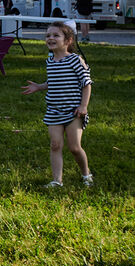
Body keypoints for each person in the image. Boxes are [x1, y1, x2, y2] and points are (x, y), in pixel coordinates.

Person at [21, 22, 94, 188]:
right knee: (55, 145)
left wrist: (83, 106)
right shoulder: (50, 61)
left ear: (67, 41)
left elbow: (86, 84)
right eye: (48, 35)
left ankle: (86, 173)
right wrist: (40, 86)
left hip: (73, 111)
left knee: (75, 148)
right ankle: (57, 181)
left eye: (55, 35)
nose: (50, 38)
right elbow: (54, 81)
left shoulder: (75, 60)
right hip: (54, 110)